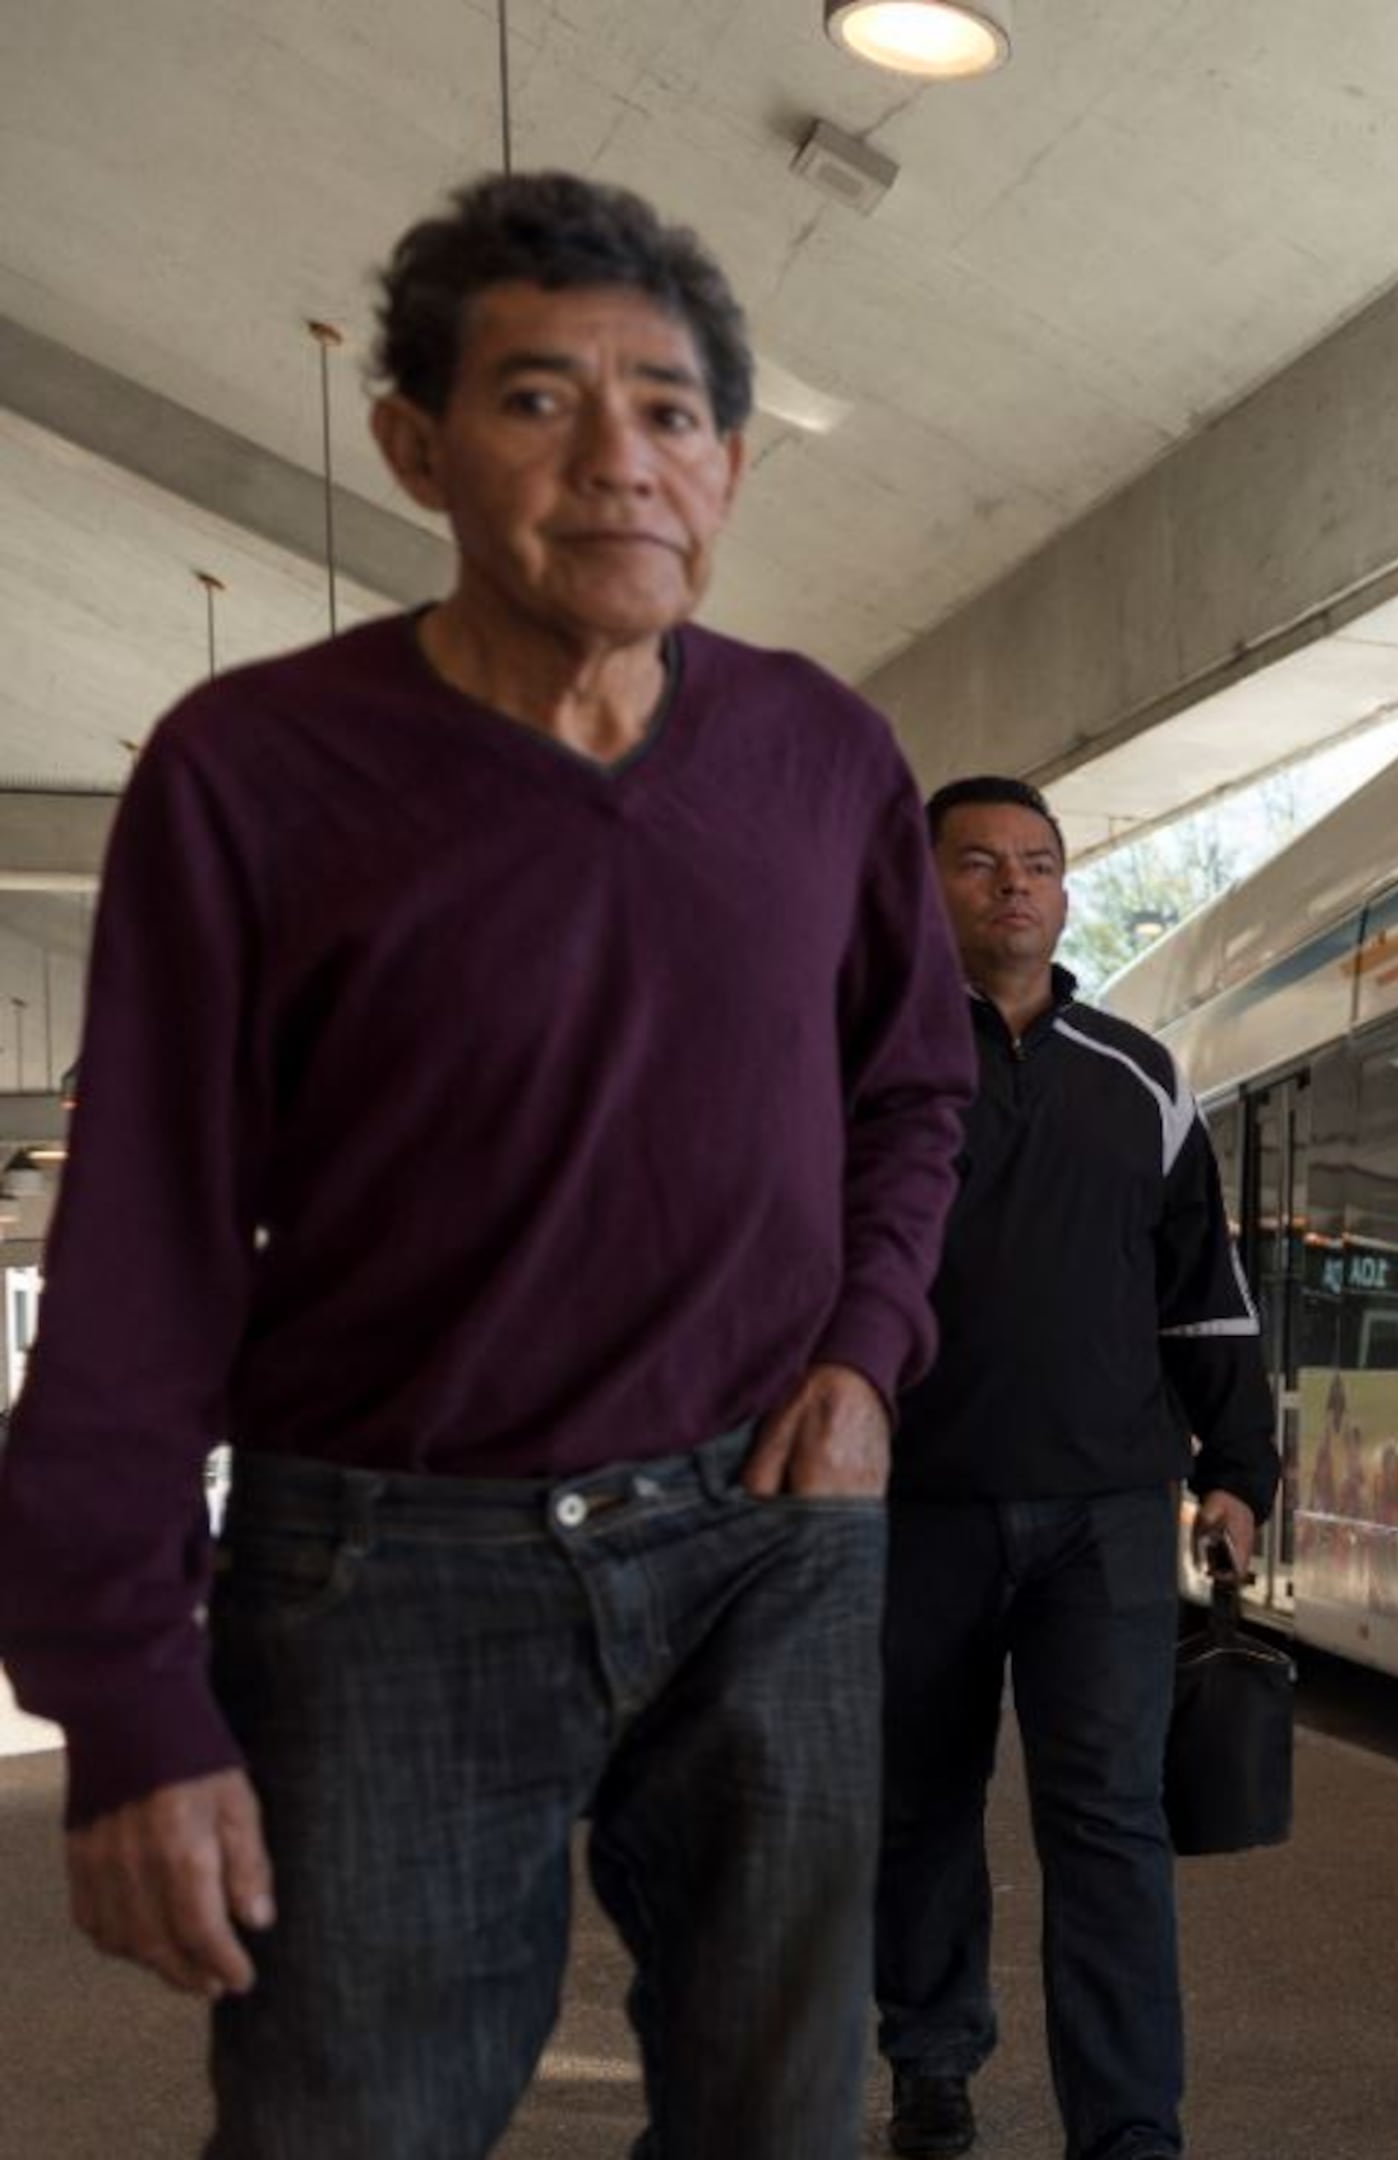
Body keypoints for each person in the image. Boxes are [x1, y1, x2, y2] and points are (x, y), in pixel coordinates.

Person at [0, 170, 973, 2157]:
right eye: (541, 401)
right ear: (415, 445)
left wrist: (869, 1350)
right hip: (387, 1563)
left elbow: (912, 1090)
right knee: (351, 2124)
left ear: (731, 465)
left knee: (782, 2120)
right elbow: (146, 1250)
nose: (621, 459)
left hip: (767, 1538)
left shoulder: (825, 756)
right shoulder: (253, 773)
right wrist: (123, 1691)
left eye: (672, 411)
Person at [877, 776, 1284, 2160]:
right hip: (907, 1509)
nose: (1014, 885)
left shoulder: (1140, 1076)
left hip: (1104, 1515)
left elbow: (1204, 1290)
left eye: (1039, 864)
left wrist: (1238, 1464)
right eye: (981, 862)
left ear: (1065, 891)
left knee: (1107, 1820)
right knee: (917, 1804)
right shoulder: (851, 1063)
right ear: (922, 888)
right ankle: (931, 2058)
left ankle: (1126, 2126)